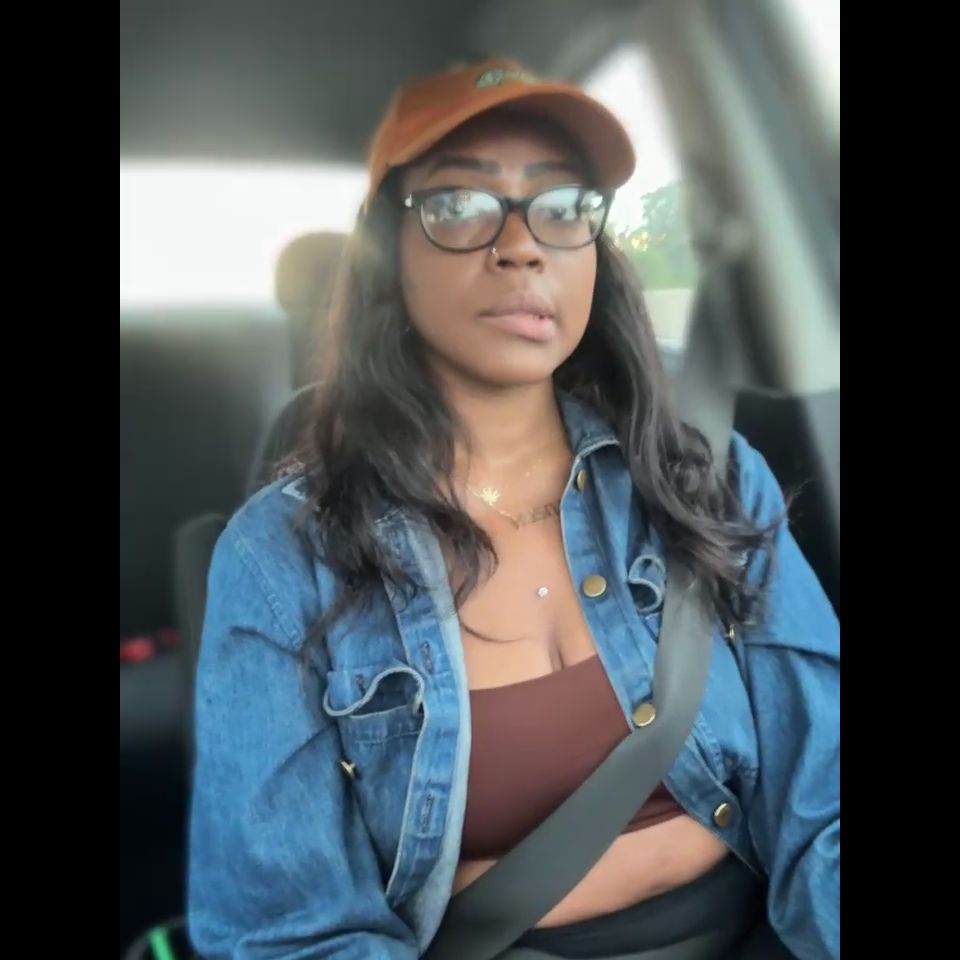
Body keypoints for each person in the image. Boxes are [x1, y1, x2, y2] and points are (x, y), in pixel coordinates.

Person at [187, 57, 840, 960]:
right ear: (387, 252)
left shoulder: (708, 477)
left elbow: (825, 807)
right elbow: (290, 933)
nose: (523, 245)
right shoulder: (283, 556)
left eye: (563, 205)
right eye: (460, 204)